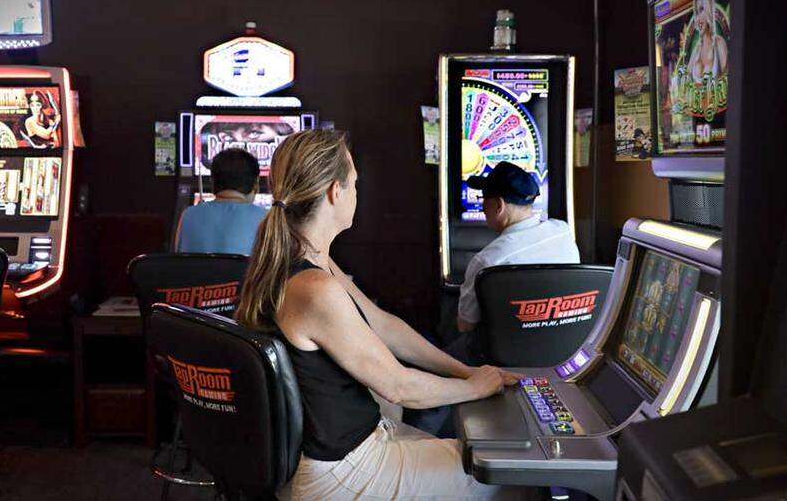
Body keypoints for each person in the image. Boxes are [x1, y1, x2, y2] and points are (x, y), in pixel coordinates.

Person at [236, 130, 527, 499]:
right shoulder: (312, 289)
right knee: (511, 477)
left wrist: (465, 371)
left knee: (488, 457)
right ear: (334, 192)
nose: (358, 192)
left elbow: (384, 325)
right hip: (344, 473)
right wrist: (476, 387)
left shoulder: (311, 262)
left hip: (353, 449)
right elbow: (398, 387)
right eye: (354, 183)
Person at [456, 161, 580, 335]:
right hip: (562, 343)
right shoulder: (563, 231)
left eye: (484, 199)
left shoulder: (487, 261)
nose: (483, 208)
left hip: (498, 358)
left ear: (499, 206)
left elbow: (466, 325)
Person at [175, 148, 268, 255]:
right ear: (256, 184)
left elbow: (178, 262)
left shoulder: (188, 215)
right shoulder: (267, 219)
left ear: (212, 182)